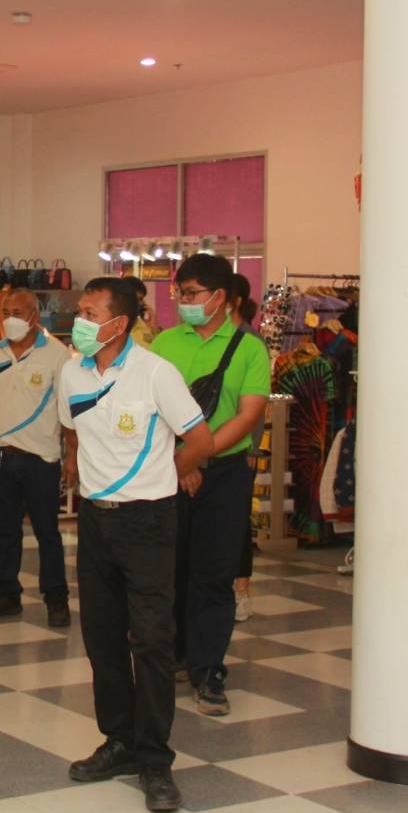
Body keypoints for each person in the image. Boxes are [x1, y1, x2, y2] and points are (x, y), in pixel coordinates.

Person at [59, 277, 213, 813]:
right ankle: (119, 741)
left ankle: (154, 759)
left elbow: (200, 440)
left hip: (148, 522)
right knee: (101, 639)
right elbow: (72, 429)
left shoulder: (155, 373)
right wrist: (80, 468)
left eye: (90, 312)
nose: (79, 320)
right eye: (79, 310)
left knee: (150, 641)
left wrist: (163, 477)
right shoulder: (71, 372)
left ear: (118, 323)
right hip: (95, 521)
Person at [150, 256, 271, 717]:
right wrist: (179, 462)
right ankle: (175, 655)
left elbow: (247, 415)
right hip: (168, 468)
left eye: (191, 293)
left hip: (224, 473)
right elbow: (150, 406)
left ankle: (207, 670)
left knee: (214, 573)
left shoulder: (249, 349)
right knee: (169, 568)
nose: (182, 301)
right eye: (179, 293)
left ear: (220, 297)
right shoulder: (165, 342)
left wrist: (195, 456)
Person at [0, 288, 70, 627]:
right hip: (0, 455)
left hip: (41, 457)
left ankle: (56, 597)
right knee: (5, 530)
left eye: (18, 312)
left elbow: (67, 410)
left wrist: (73, 455)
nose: (10, 319)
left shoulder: (57, 354)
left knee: (47, 531)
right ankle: (6, 594)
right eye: (6, 312)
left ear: (34, 316)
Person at [230, 274, 261, 622]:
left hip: (239, 449)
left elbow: (254, 406)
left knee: (238, 521)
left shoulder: (250, 342)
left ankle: (242, 589)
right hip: (196, 450)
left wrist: (251, 447)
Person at [125, 275, 158, 347]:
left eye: (142, 299)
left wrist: (152, 327)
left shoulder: (142, 325)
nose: (142, 303)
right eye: (139, 299)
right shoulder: (115, 328)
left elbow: (157, 349)